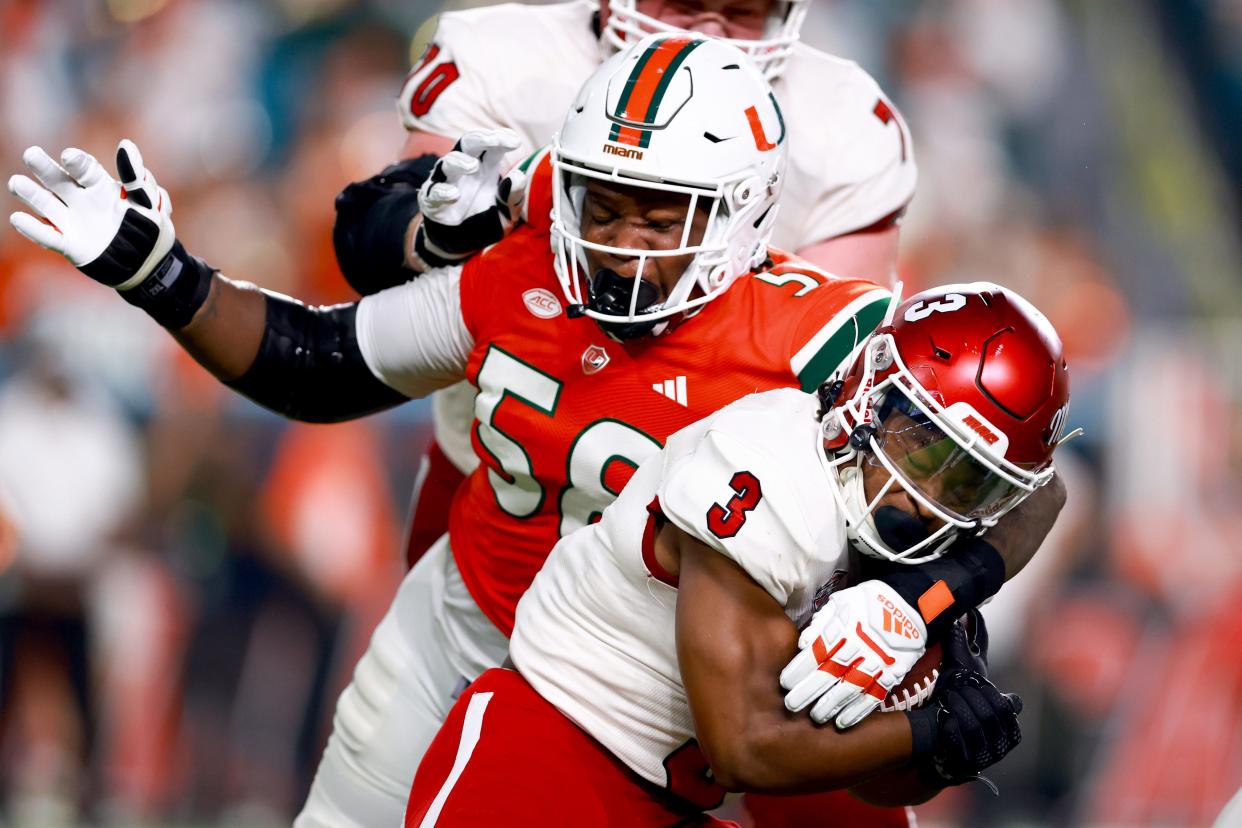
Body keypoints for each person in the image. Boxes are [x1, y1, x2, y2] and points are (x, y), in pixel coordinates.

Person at [7, 33, 1057, 828]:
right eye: (604, 202)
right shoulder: (522, 274)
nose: (621, 240)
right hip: (468, 642)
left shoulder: (826, 333)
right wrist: (162, 275)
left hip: (683, 697)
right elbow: (321, 365)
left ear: (744, 210)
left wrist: (933, 611)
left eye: (661, 214)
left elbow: (1014, 481)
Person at [405, 281, 1070, 826]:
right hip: (546, 761)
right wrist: (932, 728)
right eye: (921, 446)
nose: (927, 497)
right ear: (872, 392)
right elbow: (744, 749)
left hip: (669, 800)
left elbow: (1046, 496)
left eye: (968, 479)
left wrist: (931, 599)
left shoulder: (914, 536)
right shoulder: (774, 475)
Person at [334, 0, 917, 570]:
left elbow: (827, 387)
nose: (713, 29)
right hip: (495, 465)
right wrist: (433, 232)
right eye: (683, 5)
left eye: (743, 11)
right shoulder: (499, 54)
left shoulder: (849, 124)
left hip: (696, 533)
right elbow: (377, 239)